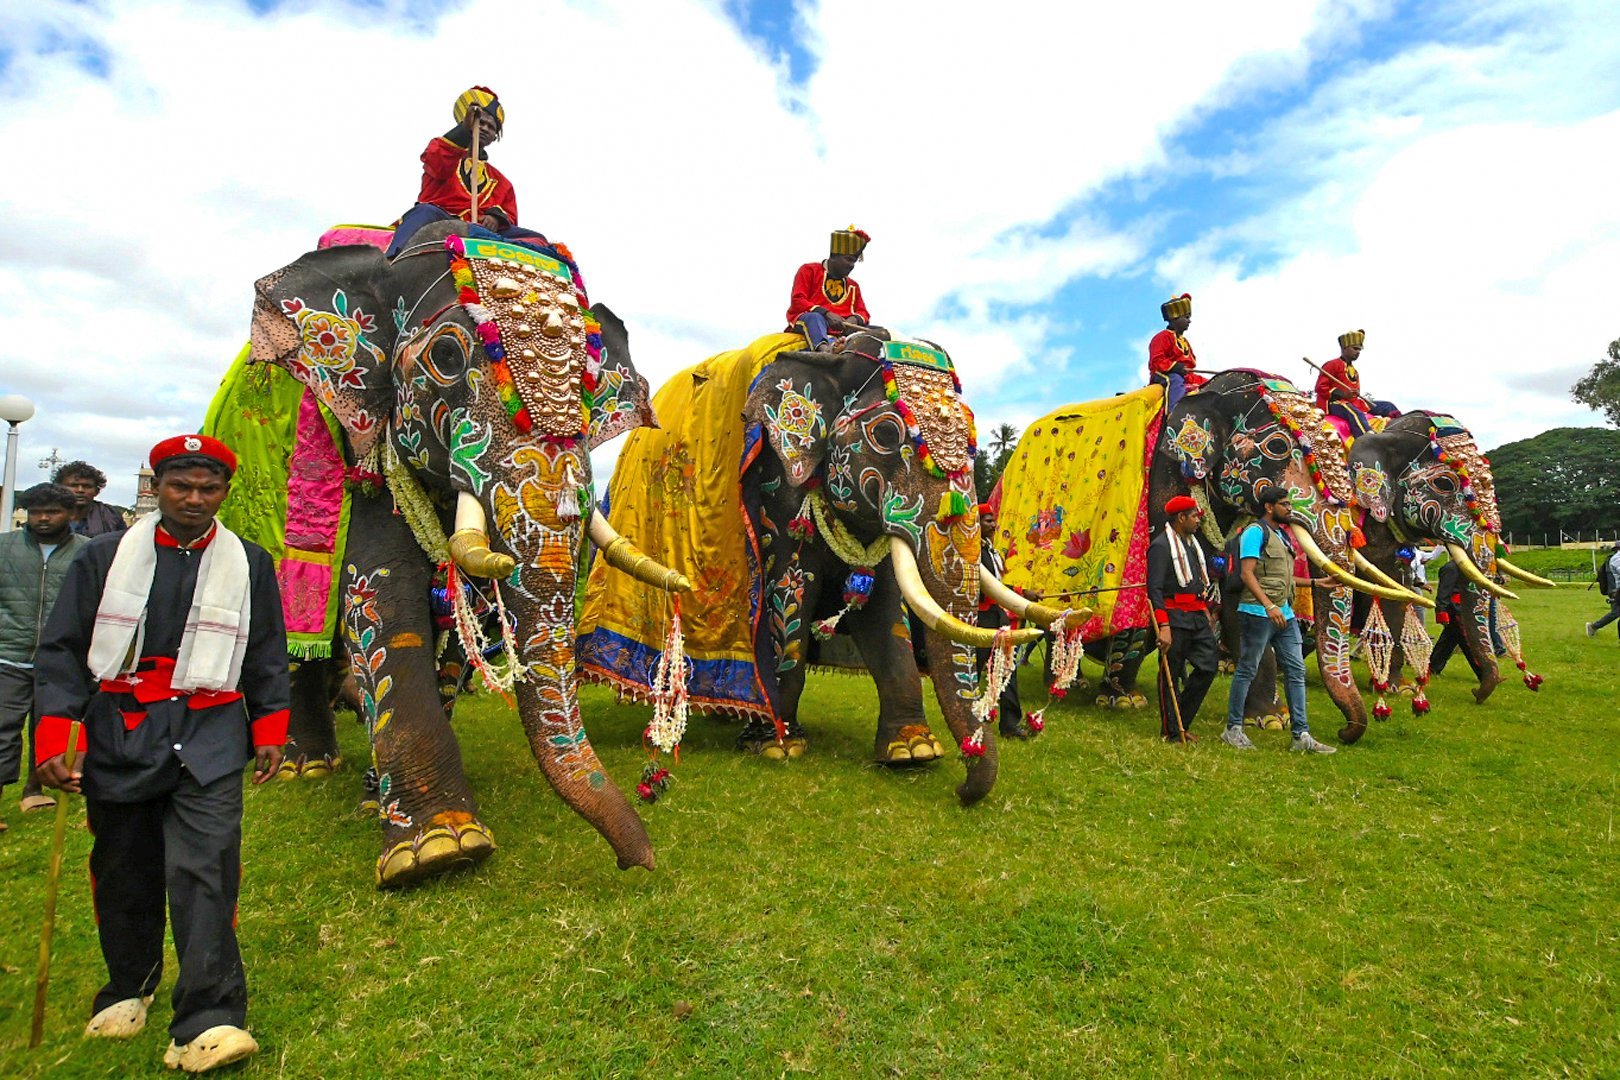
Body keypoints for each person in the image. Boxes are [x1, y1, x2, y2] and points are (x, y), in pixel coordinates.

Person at [33, 435, 288, 1073]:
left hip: (210, 732)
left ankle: (210, 1019)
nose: (195, 500)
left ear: (224, 492)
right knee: (124, 867)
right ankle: (128, 988)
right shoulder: (102, 556)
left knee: (206, 870)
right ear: (159, 485)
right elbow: (63, 648)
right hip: (121, 728)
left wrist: (270, 729)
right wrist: (56, 736)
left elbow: (264, 650)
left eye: (209, 489)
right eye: (182, 486)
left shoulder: (249, 562)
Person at [1221, 486, 1337, 753]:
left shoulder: (1282, 536)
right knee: (1248, 669)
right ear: (1269, 507)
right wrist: (1269, 605)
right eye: (1284, 504)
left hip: (1284, 613)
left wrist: (1315, 583)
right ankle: (1233, 728)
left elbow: (1281, 578)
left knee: (1296, 671)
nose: (1290, 509)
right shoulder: (1254, 532)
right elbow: (1247, 575)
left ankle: (1301, 735)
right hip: (1258, 613)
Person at [0, 484, 90, 826]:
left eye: (51, 511)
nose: (42, 518)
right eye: (36, 511)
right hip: (8, 654)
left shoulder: (87, 552)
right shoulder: (5, 548)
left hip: (62, 659)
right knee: (2, 729)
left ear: (70, 514)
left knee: (48, 725)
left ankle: (34, 790)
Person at [384, 87, 551, 259]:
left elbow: (510, 217)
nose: (485, 129)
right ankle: (391, 260)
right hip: (440, 221)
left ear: (495, 136)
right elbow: (436, 164)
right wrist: (464, 130)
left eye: (491, 127)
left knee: (538, 240)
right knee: (423, 212)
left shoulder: (502, 182)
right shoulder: (443, 150)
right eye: (481, 123)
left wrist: (496, 217)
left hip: (479, 233)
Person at [1146, 495, 1218, 743]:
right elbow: (1153, 589)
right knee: (1170, 674)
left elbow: (1196, 583)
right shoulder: (1161, 546)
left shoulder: (1191, 544)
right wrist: (1163, 626)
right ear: (1181, 518)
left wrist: (1205, 609)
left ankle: (1181, 720)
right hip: (1174, 618)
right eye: (1195, 516)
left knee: (1208, 667)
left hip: (1196, 616)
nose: (1198, 520)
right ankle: (1172, 731)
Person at [975, 505, 1024, 737]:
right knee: (973, 669)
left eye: (993, 521)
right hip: (980, 617)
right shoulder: (971, 551)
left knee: (1007, 667)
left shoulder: (991, 550)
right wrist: (1022, 593)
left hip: (997, 615)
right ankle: (968, 716)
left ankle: (1010, 724)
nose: (993, 525)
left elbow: (996, 585)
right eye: (987, 521)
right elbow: (989, 587)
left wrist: (1023, 593)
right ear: (975, 523)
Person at [786, 226, 873, 350]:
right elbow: (798, 300)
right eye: (848, 259)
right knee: (815, 318)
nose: (851, 265)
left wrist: (854, 319)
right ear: (834, 256)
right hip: (812, 322)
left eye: (854, 261)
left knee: (879, 333)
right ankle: (824, 349)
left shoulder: (854, 286)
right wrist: (826, 313)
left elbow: (863, 313)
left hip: (843, 330)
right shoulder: (809, 270)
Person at [1313, 330, 1399, 440]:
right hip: (1334, 404)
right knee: (1355, 414)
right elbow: (1320, 388)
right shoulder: (1332, 364)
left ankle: (1402, 431)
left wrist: (1354, 394)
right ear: (1344, 348)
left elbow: (1353, 393)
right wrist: (1343, 394)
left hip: (1353, 402)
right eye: (1355, 349)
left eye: (1359, 349)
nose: (1358, 352)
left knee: (1387, 406)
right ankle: (1367, 440)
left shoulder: (1354, 370)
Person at [1148, 293, 1205, 410]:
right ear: (1175, 318)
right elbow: (1157, 361)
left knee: (1208, 383)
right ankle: (1174, 412)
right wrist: (1176, 367)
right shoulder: (1162, 337)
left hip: (1186, 374)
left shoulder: (1184, 341)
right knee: (1175, 380)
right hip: (1165, 374)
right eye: (1187, 317)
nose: (1189, 321)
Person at [1431, 557, 1484, 676]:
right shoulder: (1451, 568)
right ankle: (1485, 673)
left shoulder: (1469, 565)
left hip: (1465, 608)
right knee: (1469, 640)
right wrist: (1441, 611)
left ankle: (1432, 667)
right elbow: (1444, 592)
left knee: (1448, 640)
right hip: (1455, 610)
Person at [54, 461, 128, 538]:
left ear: (97, 491)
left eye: (87, 486)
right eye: (74, 485)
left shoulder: (111, 516)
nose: (80, 490)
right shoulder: (47, 513)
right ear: (60, 488)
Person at [1585, 540, 1620, 639]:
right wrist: (1614, 592)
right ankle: (1593, 626)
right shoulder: (1614, 560)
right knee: (1615, 613)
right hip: (1616, 591)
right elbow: (1611, 578)